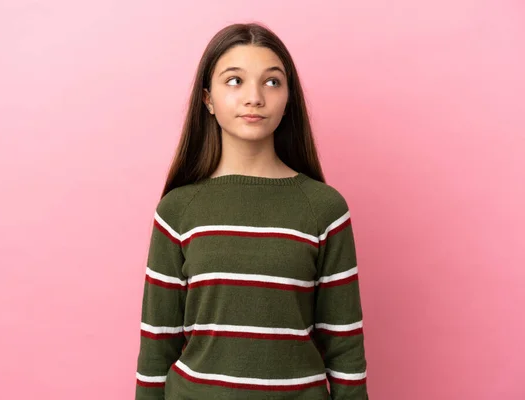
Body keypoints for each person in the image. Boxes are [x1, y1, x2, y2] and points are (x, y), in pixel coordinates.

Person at [135, 22, 369, 400]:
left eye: (272, 82)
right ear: (207, 99)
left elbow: (344, 346)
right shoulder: (177, 210)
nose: (254, 97)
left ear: (289, 98)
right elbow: (156, 346)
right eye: (234, 81)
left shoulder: (324, 209)